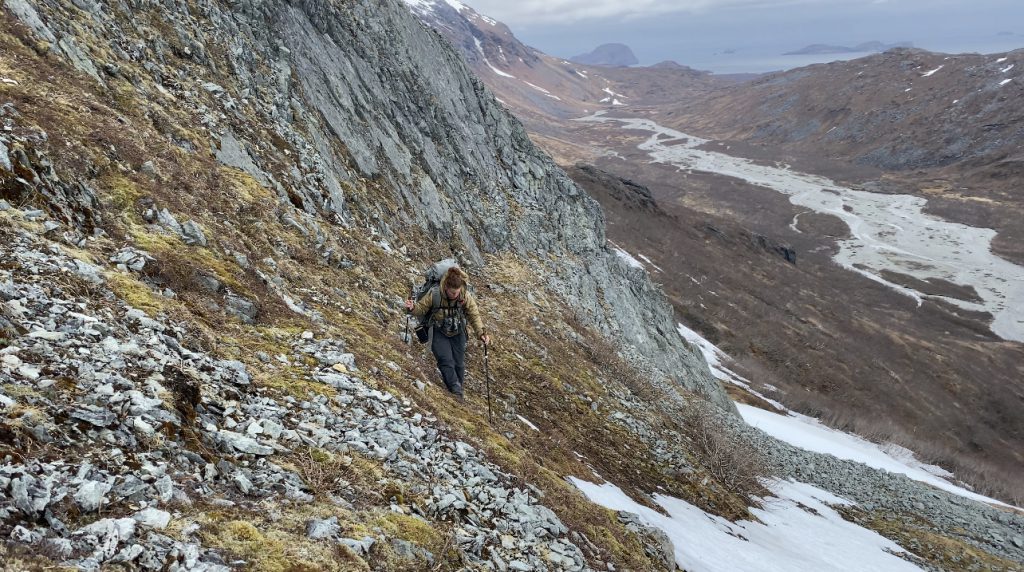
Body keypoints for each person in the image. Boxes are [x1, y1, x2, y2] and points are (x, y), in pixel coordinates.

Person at [405, 266, 490, 400]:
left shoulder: (464, 295)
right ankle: (456, 392)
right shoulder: (435, 293)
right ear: (446, 288)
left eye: (457, 293)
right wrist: (412, 308)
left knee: (459, 364)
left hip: (458, 330)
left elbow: (474, 315)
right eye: (452, 293)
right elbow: (421, 308)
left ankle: (457, 387)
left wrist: (481, 333)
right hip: (438, 331)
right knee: (445, 360)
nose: (455, 295)